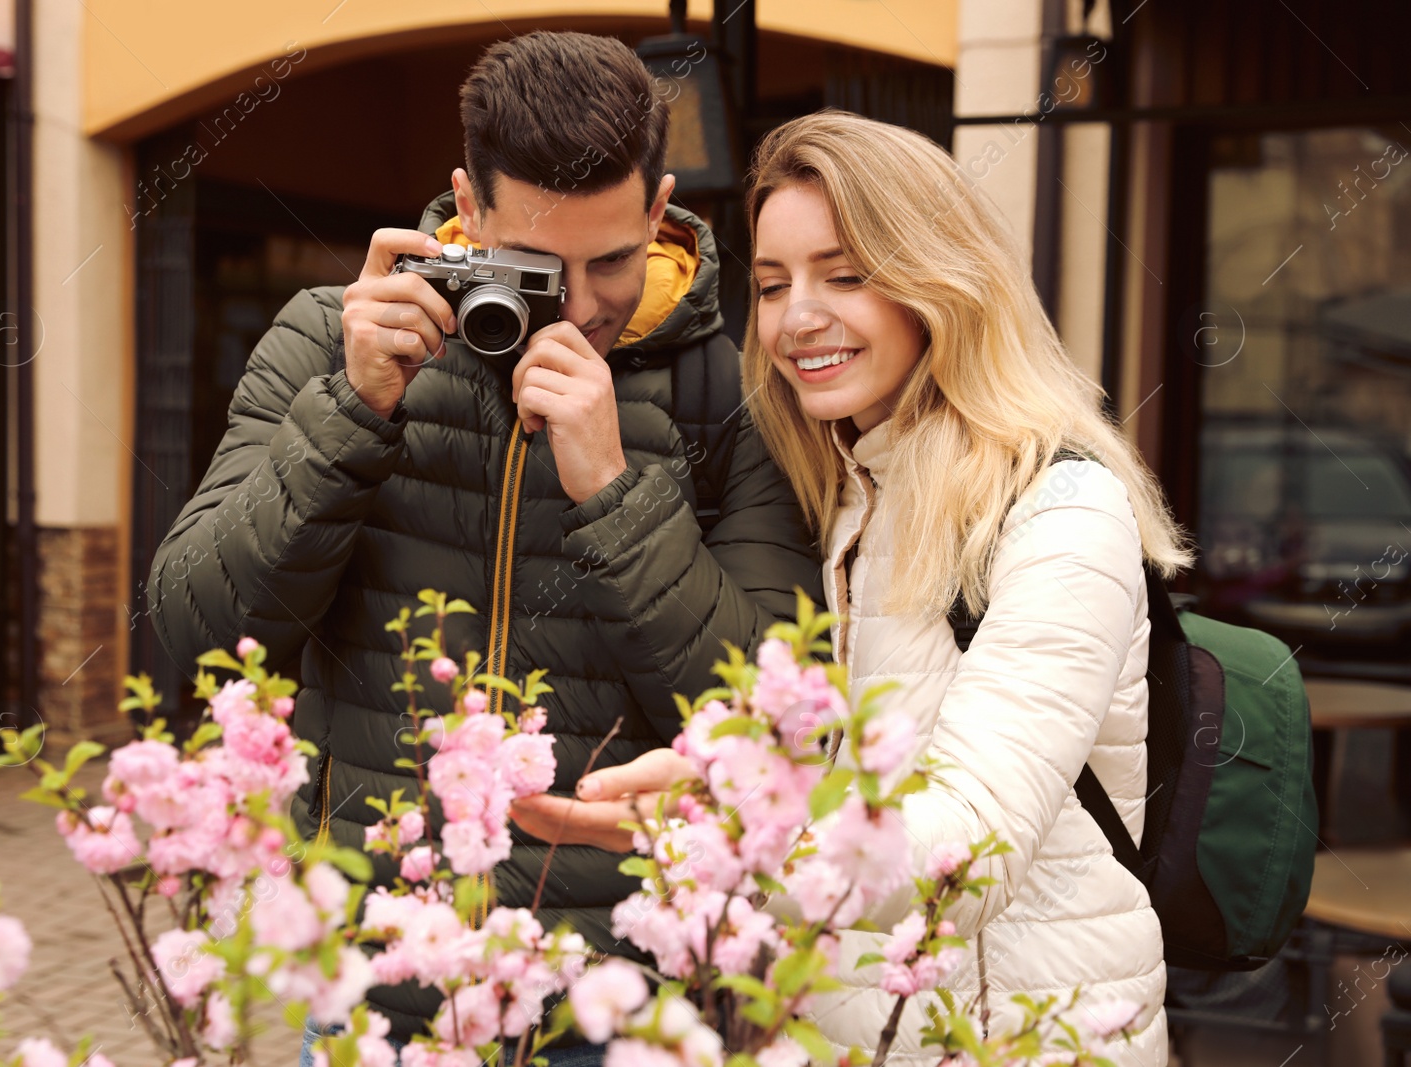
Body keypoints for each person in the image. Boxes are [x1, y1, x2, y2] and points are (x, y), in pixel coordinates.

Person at [146, 30, 822, 1067]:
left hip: (622, 999)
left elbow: (758, 728)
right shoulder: (329, 341)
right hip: (384, 978)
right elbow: (191, 633)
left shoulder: (727, 395)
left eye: (611, 259)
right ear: (466, 209)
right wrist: (352, 409)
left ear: (660, 206)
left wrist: (614, 486)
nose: (584, 305)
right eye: (537, 268)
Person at [511, 112, 1193, 1066]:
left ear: (942, 279)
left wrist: (735, 826)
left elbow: (964, 849)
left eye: (847, 275)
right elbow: (854, 791)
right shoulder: (850, 491)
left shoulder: (1061, 509)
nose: (797, 320)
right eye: (773, 284)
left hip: (1018, 1039)